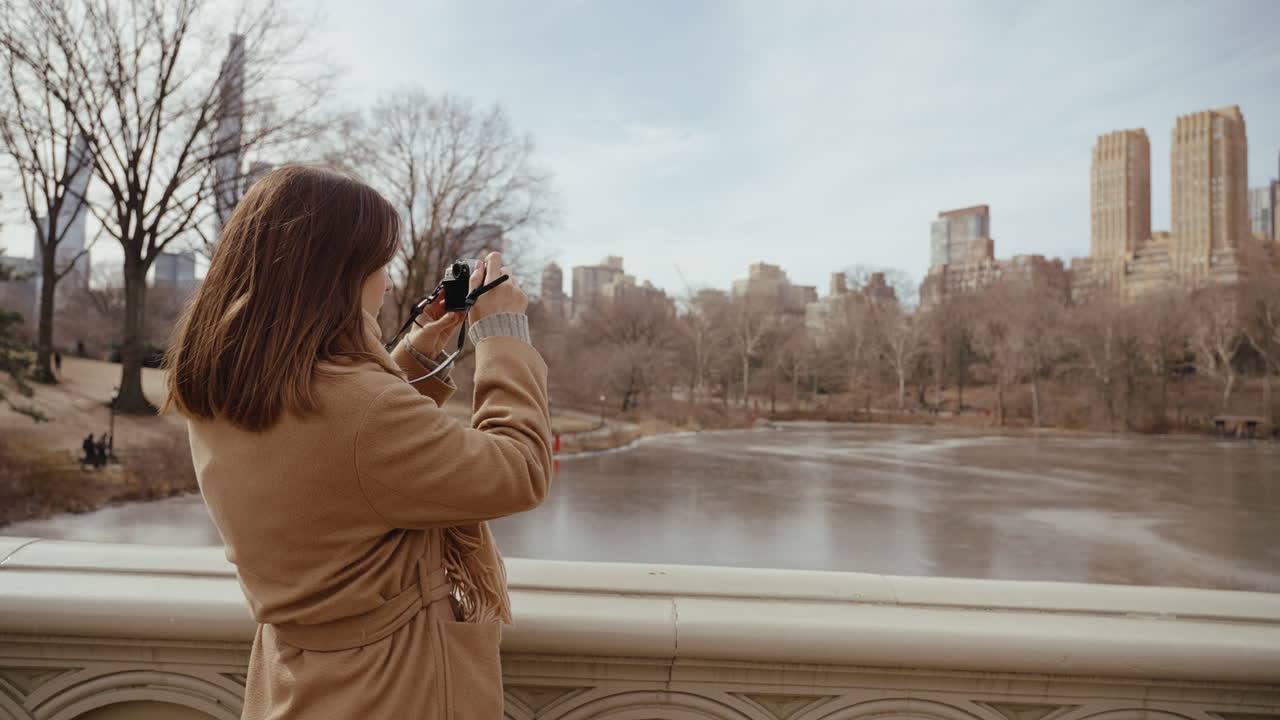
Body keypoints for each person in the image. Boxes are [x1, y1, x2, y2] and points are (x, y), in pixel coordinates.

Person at [162, 165, 552, 719]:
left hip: (295, 681)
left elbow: (341, 444)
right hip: (390, 689)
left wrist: (422, 344)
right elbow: (519, 471)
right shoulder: (363, 413)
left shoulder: (224, 386)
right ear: (335, 275)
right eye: (379, 266)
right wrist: (502, 336)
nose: (389, 283)